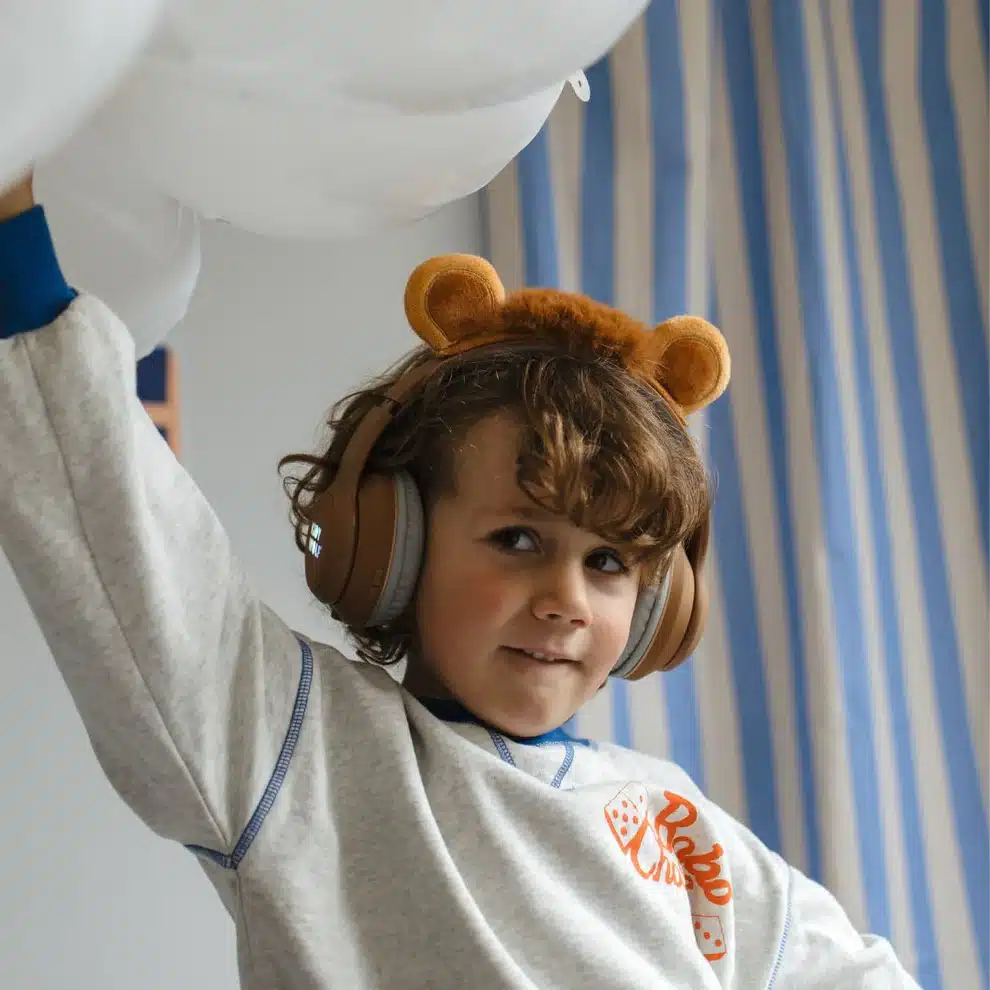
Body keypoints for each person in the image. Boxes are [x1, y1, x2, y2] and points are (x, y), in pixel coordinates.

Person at [0, 171, 920, 989]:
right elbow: (114, 524)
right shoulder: (303, 749)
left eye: (607, 562)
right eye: (517, 538)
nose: (565, 600)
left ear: (656, 606)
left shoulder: (679, 826)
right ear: (389, 543)